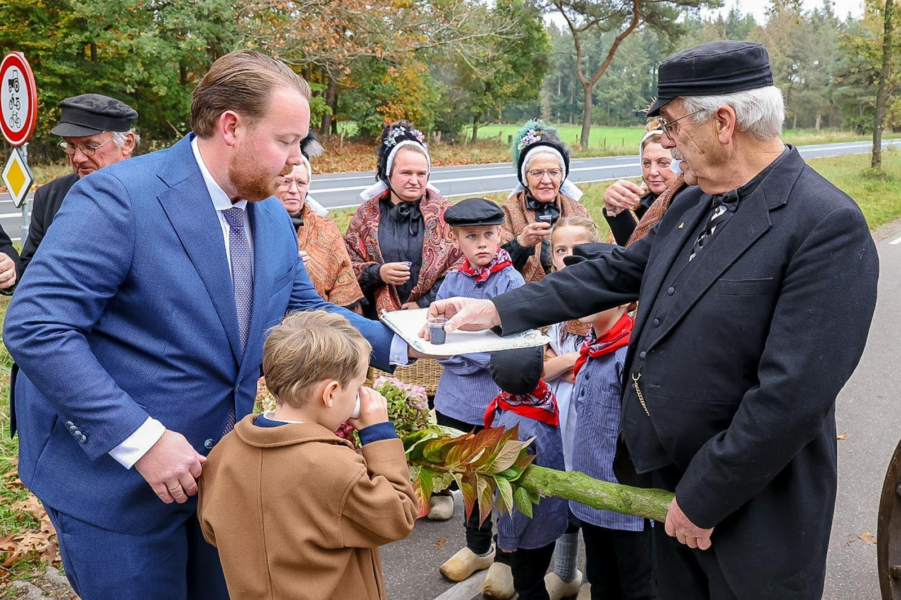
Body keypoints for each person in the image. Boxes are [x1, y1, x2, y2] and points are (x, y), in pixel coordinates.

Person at [426, 40, 880, 600]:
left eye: (671, 124)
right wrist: (495, 309)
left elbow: (791, 396)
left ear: (724, 122)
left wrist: (705, 497)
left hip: (748, 508)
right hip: (668, 490)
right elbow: (616, 272)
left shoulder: (824, 225)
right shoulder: (696, 202)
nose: (665, 142)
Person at [4, 50, 417, 599]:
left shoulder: (267, 210)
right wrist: (142, 440)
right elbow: (37, 325)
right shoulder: (118, 198)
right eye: (287, 141)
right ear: (231, 127)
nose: (297, 162)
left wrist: (416, 340)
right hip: (113, 486)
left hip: (219, 479)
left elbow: (300, 306)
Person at [197, 310, 417, 599]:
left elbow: (212, 530)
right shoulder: (334, 466)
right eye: (357, 387)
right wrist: (379, 435)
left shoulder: (225, 452)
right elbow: (397, 516)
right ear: (331, 393)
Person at [433, 198, 525, 600]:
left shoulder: (511, 282)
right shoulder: (452, 281)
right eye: (471, 237)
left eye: (489, 234)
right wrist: (470, 351)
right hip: (455, 400)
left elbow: (512, 348)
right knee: (467, 477)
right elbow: (437, 336)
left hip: (496, 401)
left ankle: (507, 556)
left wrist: (464, 353)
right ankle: (477, 546)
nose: (482, 244)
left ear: (500, 233)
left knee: (502, 478)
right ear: (456, 239)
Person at [564, 243, 655, 600]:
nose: (584, 295)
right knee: (601, 581)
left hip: (629, 504)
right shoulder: (591, 345)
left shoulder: (630, 354)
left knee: (638, 587)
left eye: (596, 288)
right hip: (591, 495)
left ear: (626, 299)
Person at [344, 120, 461, 317]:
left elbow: (460, 265)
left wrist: (425, 302)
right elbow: (347, 265)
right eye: (406, 173)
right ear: (388, 174)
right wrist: (378, 273)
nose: (415, 181)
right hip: (378, 318)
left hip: (433, 316)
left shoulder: (445, 213)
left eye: (421, 174)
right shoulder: (366, 216)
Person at [540, 216, 599, 600]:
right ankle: (563, 573)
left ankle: (597, 580)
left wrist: (564, 364)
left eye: (577, 250)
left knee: (595, 491)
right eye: (560, 250)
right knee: (561, 487)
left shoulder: (608, 297)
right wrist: (570, 363)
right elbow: (541, 369)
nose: (567, 257)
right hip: (558, 411)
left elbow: (603, 361)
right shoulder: (549, 301)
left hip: (595, 412)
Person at [20, 94, 139, 273]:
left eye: (90, 145)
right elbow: (31, 269)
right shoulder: (48, 197)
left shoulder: (156, 194)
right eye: (71, 146)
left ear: (127, 143)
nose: (77, 158)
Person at [485, 346, 568, 600]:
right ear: (541, 373)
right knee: (534, 575)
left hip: (530, 526)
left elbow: (513, 493)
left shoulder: (515, 430)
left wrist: (507, 537)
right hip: (551, 512)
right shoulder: (543, 399)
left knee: (528, 585)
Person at [276, 135, 364, 310]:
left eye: (301, 183)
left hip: (320, 326)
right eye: (286, 182)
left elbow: (344, 286)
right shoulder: (257, 226)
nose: (293, 190)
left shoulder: (326, 230)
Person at [500, 120, 589, 283]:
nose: (546, 180)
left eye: (553, 172)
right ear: (525, 177)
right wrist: (520, 244)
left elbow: (594, 259)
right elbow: (492, 267)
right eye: (537, 173)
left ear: (562, 176)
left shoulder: (578, 211)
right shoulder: (507, 212)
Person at [601, 123, 678, 246]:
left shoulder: (693, 202)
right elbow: (631, 249)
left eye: (663, 163)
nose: (652, 172)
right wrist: (616, 210)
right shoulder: (637, 206)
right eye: (646, 163)